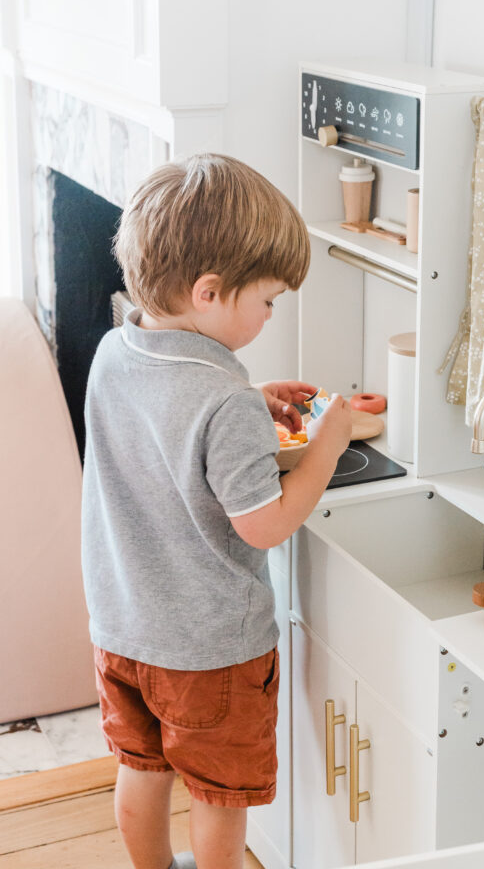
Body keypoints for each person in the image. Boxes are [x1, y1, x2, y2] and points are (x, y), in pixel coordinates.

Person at [81, 154, 352, 869]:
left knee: (141, 769)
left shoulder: (113, 351)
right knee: (216, 797)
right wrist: (326, 445)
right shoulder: (221, 399)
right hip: (209, 653)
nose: (269, 315)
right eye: (267, 301)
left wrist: (250, 396)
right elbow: (261, 524)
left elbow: (163, 431)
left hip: (122, 630)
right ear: (208, 293)